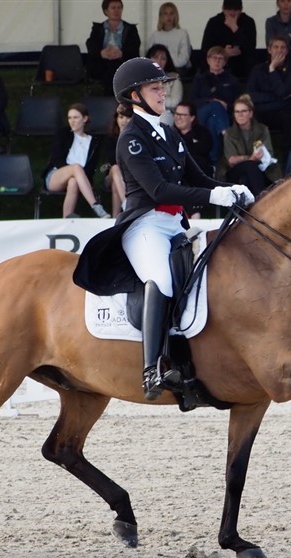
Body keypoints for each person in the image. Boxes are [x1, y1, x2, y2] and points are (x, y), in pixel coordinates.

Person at [73, 58, 254, 400]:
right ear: (135, 96)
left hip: (174, 224)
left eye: (162, 86)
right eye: (155, 87)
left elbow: (197, 179)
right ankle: (152, 369)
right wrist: (214, 194)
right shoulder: (132, 139)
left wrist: (230, 189)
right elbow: (159, 190)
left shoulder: (169, 132)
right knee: (162, 276)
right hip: (145, 225)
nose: (162, 92)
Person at [43, 103, 109, 219]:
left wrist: (77, 175)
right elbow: (56, 159)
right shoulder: (62, 134)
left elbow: (91, 168)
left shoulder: (93, 141)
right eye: (69, 118)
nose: (71, 121)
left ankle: (66, 218)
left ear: (85, 119)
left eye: (75, 117)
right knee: (76, 168)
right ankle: (96, 205)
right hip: (56, 175)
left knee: (73, 182)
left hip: (78, 179)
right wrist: (73, 170)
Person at [246, 35, 291, 158]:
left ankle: (288, 163)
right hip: (263, 112)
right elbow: (251, 96)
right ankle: (258, 160)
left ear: (287, 50)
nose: (279, 50)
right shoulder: (257, 69)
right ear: (269, 50)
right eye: (276, 47)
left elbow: (282, 91)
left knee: (290, 116)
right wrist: (278, 98)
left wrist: (272, 69)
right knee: (253, 118)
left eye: (283, 47)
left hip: (284, 113)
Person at [219, 94, 281, 197]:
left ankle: (249, 208)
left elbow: (268, 153)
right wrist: (250, 158)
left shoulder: (262, 129)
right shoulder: (229, 133)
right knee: (250, 166)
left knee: (250, 174)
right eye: (237, 112)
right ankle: (260, 201)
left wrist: (246, 159)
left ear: (251, 113)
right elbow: (232, 160)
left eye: (243, 111)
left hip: (260, 169)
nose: (240, 115)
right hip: (234, 172)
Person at [189, 46, 242, 165]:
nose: (217, 61)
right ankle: (226, 134)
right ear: (208, 60)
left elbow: (239, 103)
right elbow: (192, 102)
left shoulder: (232, 80)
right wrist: (211, 101)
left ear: (225, 62)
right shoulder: (200, 79)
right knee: (215, 105)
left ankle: (212, 163)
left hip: (223, 115)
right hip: (201, 114)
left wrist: (226, 106)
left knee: (213, 121)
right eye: (214, 58)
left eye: (221, 58)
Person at [86, 0, 141, 95]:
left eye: (119, 8)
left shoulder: (130, 29)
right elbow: (91, 44)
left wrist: (121, 53)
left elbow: (134, 47)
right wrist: (101, 52)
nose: (116, 11)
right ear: (106, 11)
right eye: (113, 8)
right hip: (102, 63)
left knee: (115, 69)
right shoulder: (98, 28)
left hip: (122, 62)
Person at [200, 0, 257, 80]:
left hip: (241, 69)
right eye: (229, 10)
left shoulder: (248, 22)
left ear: (241, 10)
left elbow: (250, 48)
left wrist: (235, 28)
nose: (232, 13)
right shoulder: (214, 22)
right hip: (217, 68)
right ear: (223, 9)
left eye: (236, 10)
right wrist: (223, 52)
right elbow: (206, 48)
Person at [102, 103, 133, 217]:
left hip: (129, 176)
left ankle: (115, 218)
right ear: (116, 119)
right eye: (121, 117)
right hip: (111, 175)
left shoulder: (136, 137)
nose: (124, 121)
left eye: (127, 117)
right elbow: (113, 160)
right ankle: (126, 204)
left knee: (116, 184)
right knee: (115, 168)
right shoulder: (111, 138)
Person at [147, 2, 193, 78]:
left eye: (171, 13)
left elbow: (184, 58)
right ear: (161, 16)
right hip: (158, 69)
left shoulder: (182, 33)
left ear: (176, 16)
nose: (169, 17)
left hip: (179, 69)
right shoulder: (155, 35)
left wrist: (168, 65)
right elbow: (150, 57)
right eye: (165, 14)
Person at [173, 102, 214, 177]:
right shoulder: (170, 133)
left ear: (192, 118)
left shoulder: (203, 133)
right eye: (177, 114)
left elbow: (203, 150)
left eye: (183, 115)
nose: (178, 117)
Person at [264, 0, 291, 67]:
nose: (286, 4)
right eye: (282, 1)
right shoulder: (271, 21)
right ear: (277, 3)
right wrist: (290, 36)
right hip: (276, 61)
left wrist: (281, 46)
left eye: (289, 1)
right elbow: (270, 45)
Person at [146, 44, 183, 126]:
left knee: (162, 121)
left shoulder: (174, 79)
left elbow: (175, 102)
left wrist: (153, 99)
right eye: (156, 57)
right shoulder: (141, 78)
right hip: (144, 111)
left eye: (163, 59)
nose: (159, 61)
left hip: (165, 112)